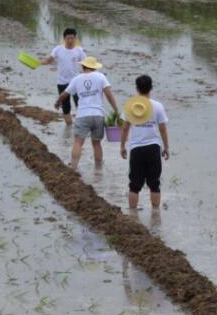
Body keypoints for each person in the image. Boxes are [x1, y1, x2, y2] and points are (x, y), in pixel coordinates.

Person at [119, 75, 170, 213]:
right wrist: (166, 148)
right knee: (154, 184)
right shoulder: (158, 106)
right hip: (153, 148)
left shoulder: (130, 106)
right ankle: (155, 216)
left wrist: (122, 146)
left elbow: (125, 128)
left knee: (134, 185)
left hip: (136, 149)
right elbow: (163, 129)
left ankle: (132, 215)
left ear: (137, 88)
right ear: (151, 88)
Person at [56, 56, 118, 169]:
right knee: (96, 143)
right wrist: (116, 110)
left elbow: (65, 94)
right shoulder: (101, 77)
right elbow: (109, 94)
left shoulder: (76, 79)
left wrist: (58, 102)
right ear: (94, 68)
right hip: (98, 115)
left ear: (83, 66)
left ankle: (73, 167)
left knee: (78, 142)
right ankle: (98, 171)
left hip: (83, 115)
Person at [41, 27, 86, 126]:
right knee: (66, 107)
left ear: (75, 39)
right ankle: (69, 128)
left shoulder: (79, 50)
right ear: (64, 39)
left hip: (75, 82)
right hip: (62, 82)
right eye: (68, 38)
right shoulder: (58, 49)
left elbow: (85, 65)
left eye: (72, 38)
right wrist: (39, 63)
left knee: (80, 104)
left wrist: (88, 76)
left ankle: (82, 126)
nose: (70, 40)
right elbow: (49, 60)